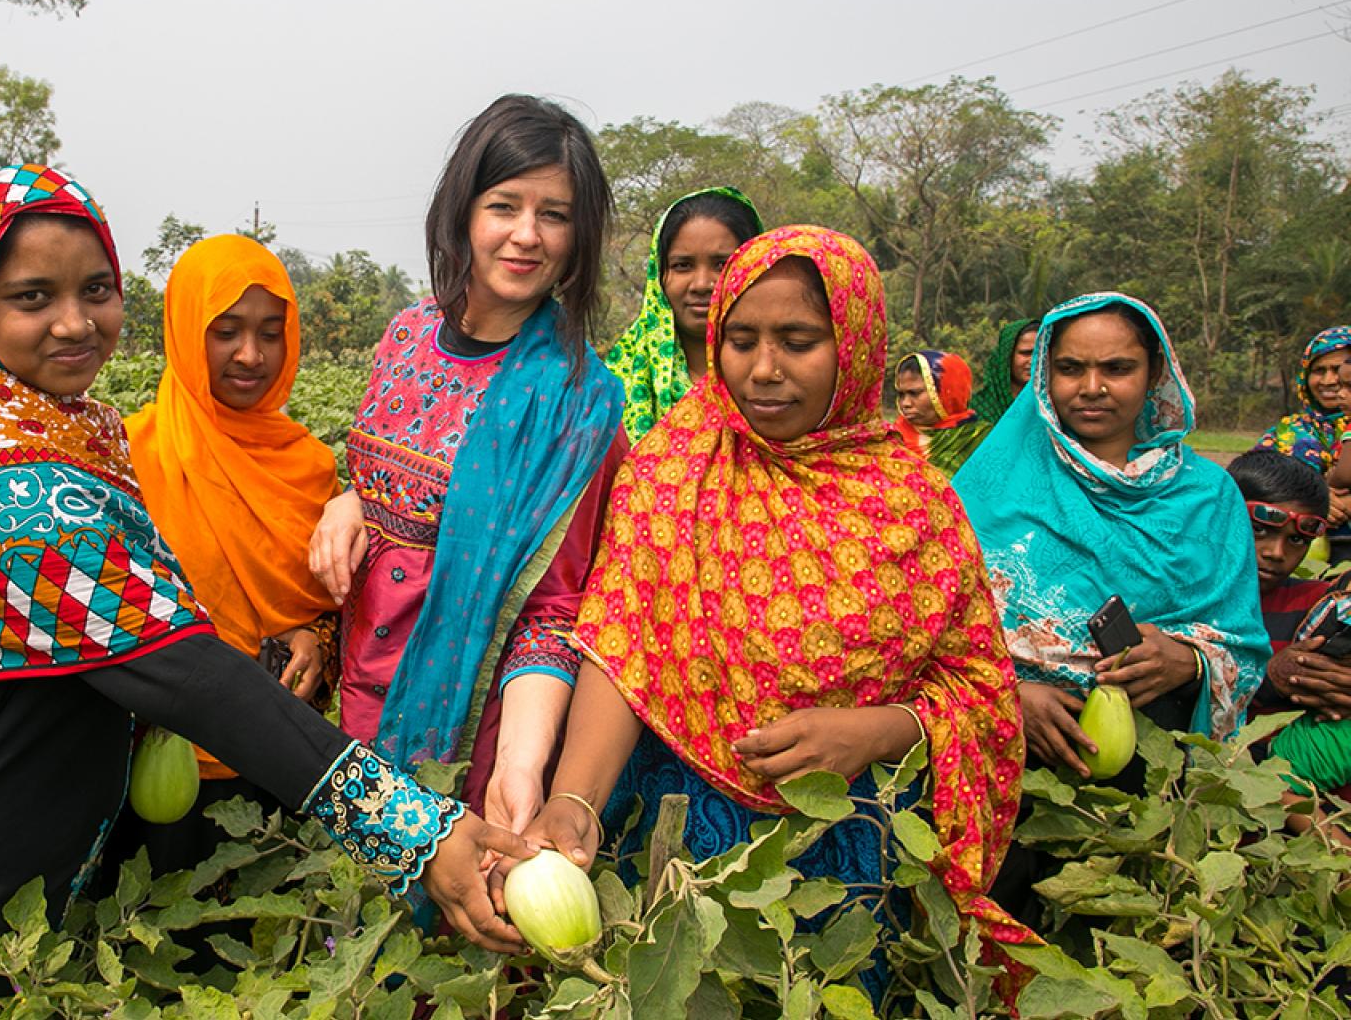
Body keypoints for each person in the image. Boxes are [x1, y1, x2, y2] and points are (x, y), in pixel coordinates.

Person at [0, 165, 531, 1014]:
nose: (76, 323)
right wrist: (416, 830)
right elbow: (189, 671)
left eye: (97, 289)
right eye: (32, 298)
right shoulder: (10, 481)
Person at [509, 225, 1032, 1002]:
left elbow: (980, 692)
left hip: (849, 843)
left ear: (853, 346)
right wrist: (575, 799)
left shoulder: (914, 503)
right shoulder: (674, 466)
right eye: (740, 339)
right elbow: (624, 649)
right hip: (682, 832)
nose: (763, 370)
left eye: (798, 341)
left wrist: (878, 731)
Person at [306, 95, 628, 839]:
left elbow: (552, 609)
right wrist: (350, 502)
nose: (526, 235)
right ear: (463, 213)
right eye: (504, 205)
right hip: (357, 696)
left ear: (579, 236)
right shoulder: (407, 335)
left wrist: (520, 764)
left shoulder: (577, 403)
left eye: (555, 214)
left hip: (472, 730)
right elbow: (391, 482)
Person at [955, 294, 1268, 780]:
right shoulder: (992, 484)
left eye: (1117, 368)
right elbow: (931, 624)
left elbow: (1242, 644)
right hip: (1005, 755)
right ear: (1043, 374)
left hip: (1152, 762)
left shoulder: (1207, 496)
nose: (1092, 387)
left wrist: (1188, 661)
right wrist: (1008, 694)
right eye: (1070, 368)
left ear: (1154, 373)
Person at [119, 234, 341, 872]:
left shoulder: (311, 468)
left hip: (280, 761)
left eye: (271, 332)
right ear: (187, 330)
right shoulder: (129, 458)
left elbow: (338, 606)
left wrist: (316, 643)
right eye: (227, 331)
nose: (251, 355)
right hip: (152, 764)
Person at [1227, 450, 1351, 802]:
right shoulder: (1183, 604)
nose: (1276, 552)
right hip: (1238, 796)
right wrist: (1267, 679)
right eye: (1259, 530)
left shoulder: (1318, 605)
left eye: (1296, 540)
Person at [604, 186, 764, 442]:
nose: (702, 284)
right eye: (682, 266)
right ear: (659, 275)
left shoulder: (778, 372)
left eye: (722, 265)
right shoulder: (618, 380)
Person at [1258, 326, 1351, 562]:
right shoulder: (1288, 432)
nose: (1330, 380)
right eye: (1319, 370)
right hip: (1297, 561)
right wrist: (1317, 502)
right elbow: (1253, 487)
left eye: (1338, 370)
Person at [893, 349, 987, 474]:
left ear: (947, 392)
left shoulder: (979, 439)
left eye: (914, 393)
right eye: (901, 394)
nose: (905, 403)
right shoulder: (893, 438)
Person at [969, 318, 1038, 426]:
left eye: (1039, 354)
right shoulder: (978, 408)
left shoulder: (1052, 404)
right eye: (1025, 353)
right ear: (1007, 356)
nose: (1033, 361)